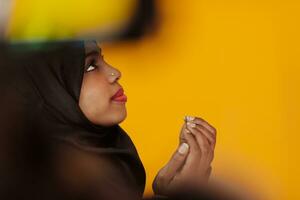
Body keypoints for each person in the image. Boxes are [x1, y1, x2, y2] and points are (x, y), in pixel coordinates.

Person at [0, 40, 217, 200]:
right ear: (50, 89)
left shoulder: (111, 161)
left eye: (103, 60)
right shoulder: (33, 184)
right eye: (90, 66)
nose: (115, 72)